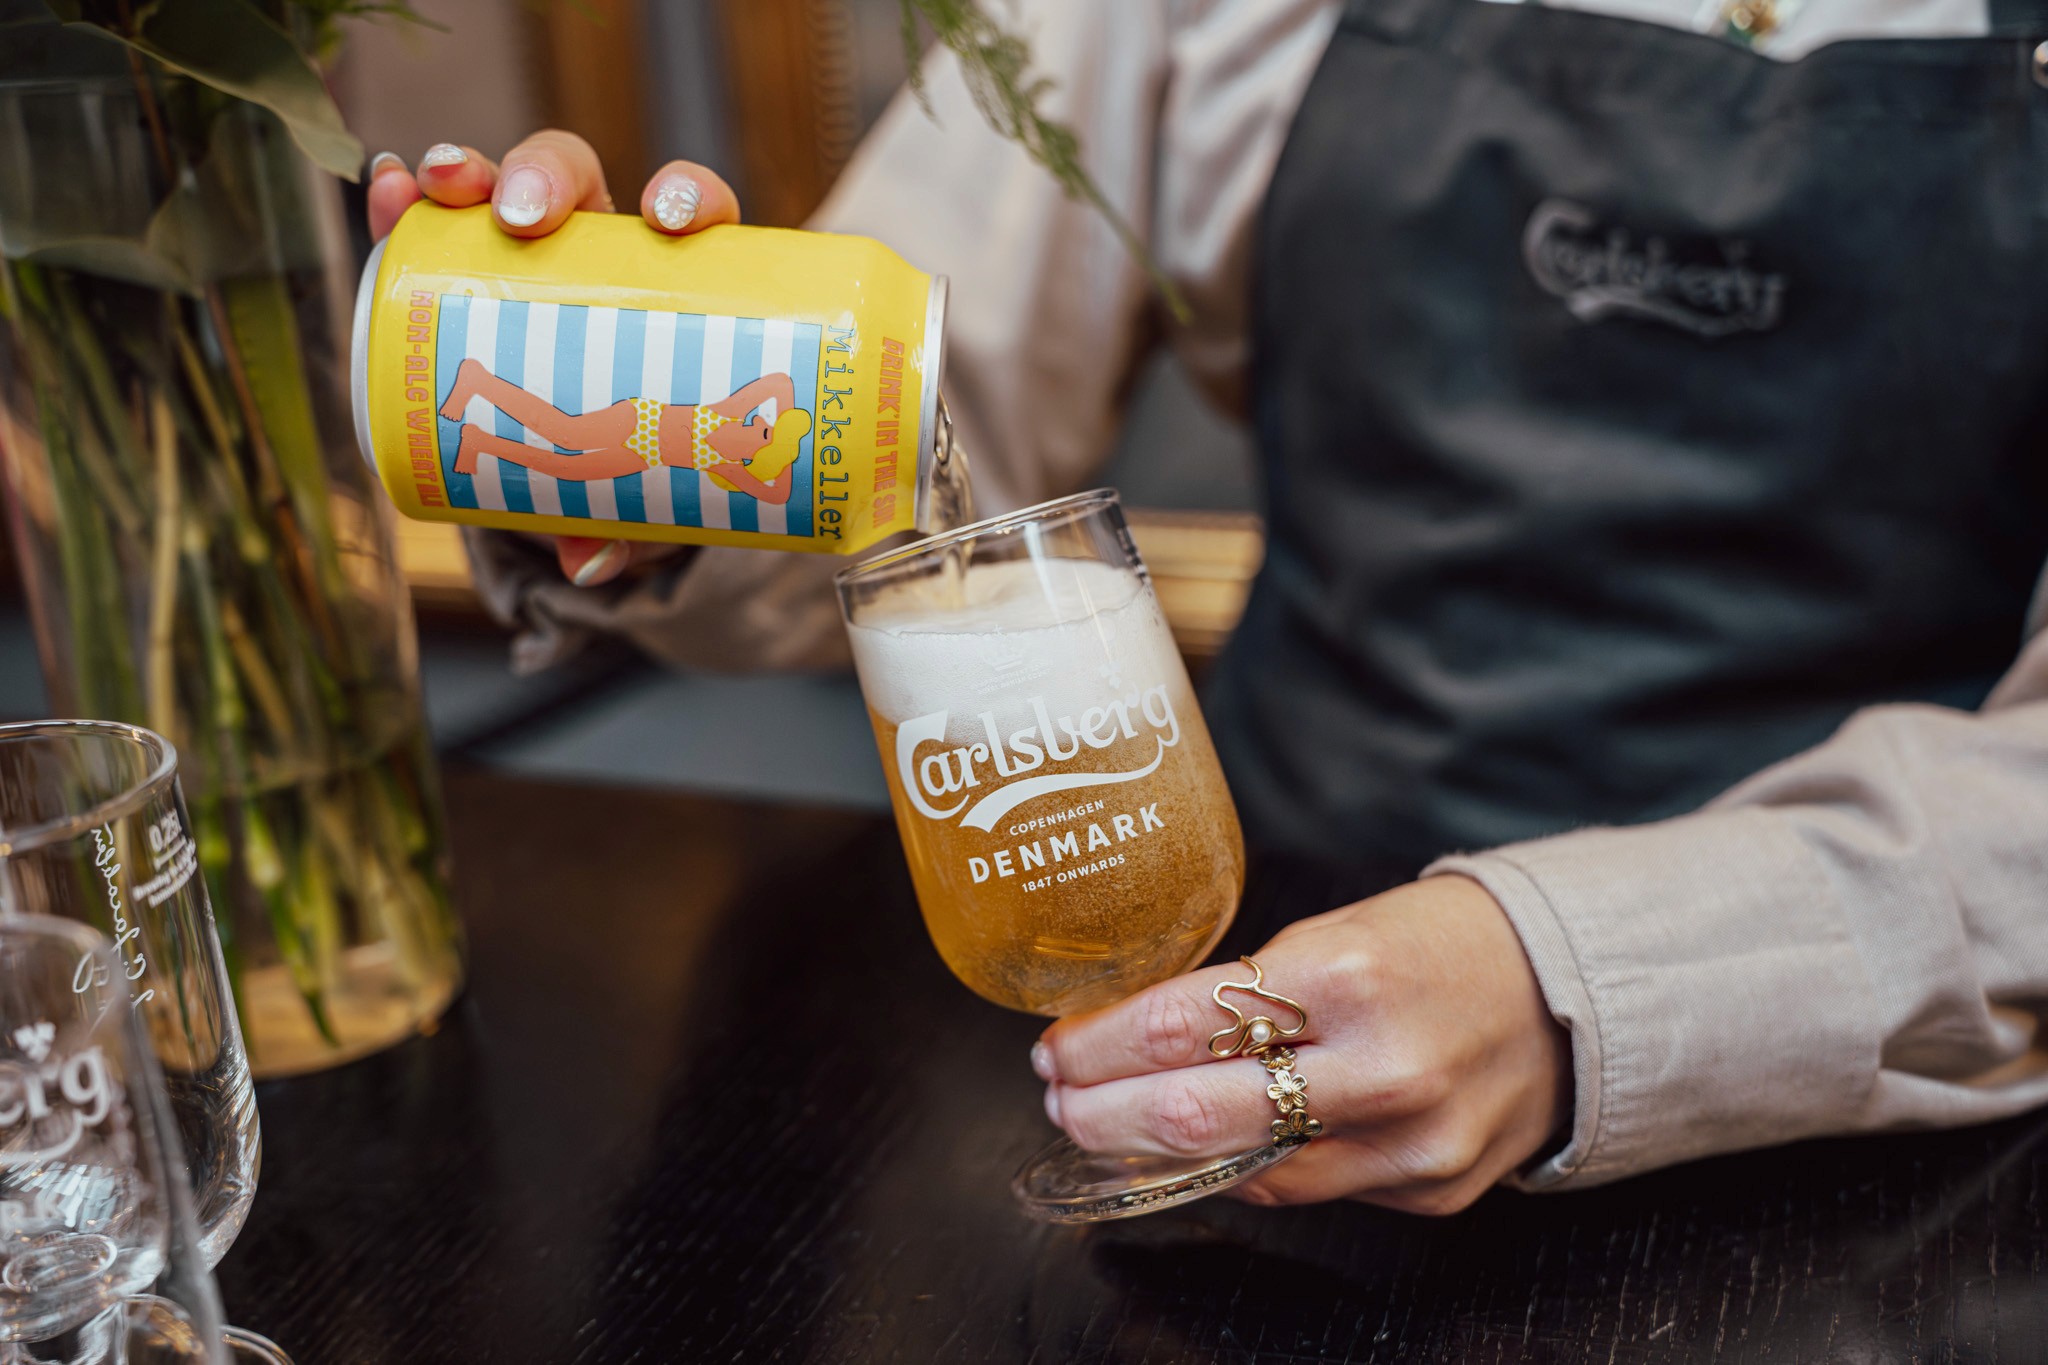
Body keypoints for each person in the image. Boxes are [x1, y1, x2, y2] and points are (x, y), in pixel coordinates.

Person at [366, 0, 2048, 1215]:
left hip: (1877, 1078)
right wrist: (640, 464)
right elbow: (907, 471)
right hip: (1250, 1002)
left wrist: (1565, 982)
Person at [439, 356, 812, 501]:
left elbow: (778, 496)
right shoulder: (731, 411)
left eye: (765, 437)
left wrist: (781, 454)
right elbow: (779, 382)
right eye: (767, 425)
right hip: (640, 419)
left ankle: (481, 441)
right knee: (565, 433)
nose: (762, 423)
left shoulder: (728, 468)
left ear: (755, 458)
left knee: (565, 470)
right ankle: (479, 381)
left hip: (645, 454)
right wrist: (788, 425)